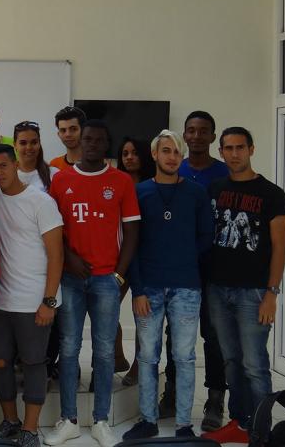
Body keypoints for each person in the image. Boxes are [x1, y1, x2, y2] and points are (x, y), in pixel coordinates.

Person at [45, 119, 140, 447]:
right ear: (79, 142)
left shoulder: (121, 181)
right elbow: (53, 229)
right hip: (70, 279)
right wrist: (69, 258)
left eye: (99, 140)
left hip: (105, 280)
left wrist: (119, 274)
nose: (92, 144)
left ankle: (101, 420)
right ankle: (69, 419)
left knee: (103, 352)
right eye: (87, 139)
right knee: (69, 349)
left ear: (106, 144)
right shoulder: (61, 181)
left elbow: (131, 232)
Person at [122, 130, 212, 440]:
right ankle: (148, 419)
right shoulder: (140, 193)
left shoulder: (197, 193)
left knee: (185, 357)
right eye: (166, 151)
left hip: (186, 286)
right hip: (148, 287)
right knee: (147, 356)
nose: (172, 156)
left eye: (177, 151)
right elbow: (130, 244)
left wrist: (183, 258)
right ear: (155, 155)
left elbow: (205, 237)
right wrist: (138, 289)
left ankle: (184, 425)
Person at [202, 127, 285, 444]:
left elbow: (280, 248)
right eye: (229, 148)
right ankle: (241, 423)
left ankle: (261, 431)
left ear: (251, 149)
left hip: (253, 292)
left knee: (255, 364)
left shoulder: (272, 194)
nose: (235, 153)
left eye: (240, 147)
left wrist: (272, 293)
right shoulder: (214, 189)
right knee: (231, 361)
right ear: (221, 152)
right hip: (217, 289)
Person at [0, 144, 64, 447]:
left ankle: (31, 430)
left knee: (32, 362)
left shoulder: (40, 201)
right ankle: (11, 421)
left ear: (16, 164)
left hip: (34, 300)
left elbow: (57, 255)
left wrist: (49, 301)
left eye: (3, 166)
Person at [172, 110, 229, 430]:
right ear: (184, 133)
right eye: (190, 130)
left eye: (202, 131)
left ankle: (216, 397)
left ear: (212, 136)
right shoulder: (174, 168)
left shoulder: (223, 174)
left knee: (213, 333)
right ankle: (172, 391)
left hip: (213, 266)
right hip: (177, 266)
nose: (195, 136)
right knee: (175, 334)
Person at [115, 137, 155, 386]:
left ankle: (140, 366)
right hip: (119, 258)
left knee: (143, 316)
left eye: (134, 153)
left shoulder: (153, 184)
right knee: (106, 310)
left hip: (146, 258)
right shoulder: (115, 182)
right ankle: (117, 356)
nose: (129, 157)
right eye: (125, 153)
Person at [14, 120, 58, 192]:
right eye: (23, 143)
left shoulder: (54, 174)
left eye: (34, 142)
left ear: (39, 143)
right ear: (15, 145)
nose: (29, 147)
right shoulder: (8, 176)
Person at [49, 106, 86, 172]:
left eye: (73, 129)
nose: (68, 134)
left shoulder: (95, 165)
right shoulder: (54, 165)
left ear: (84, 131)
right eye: (63, 130)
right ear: (58, 134)